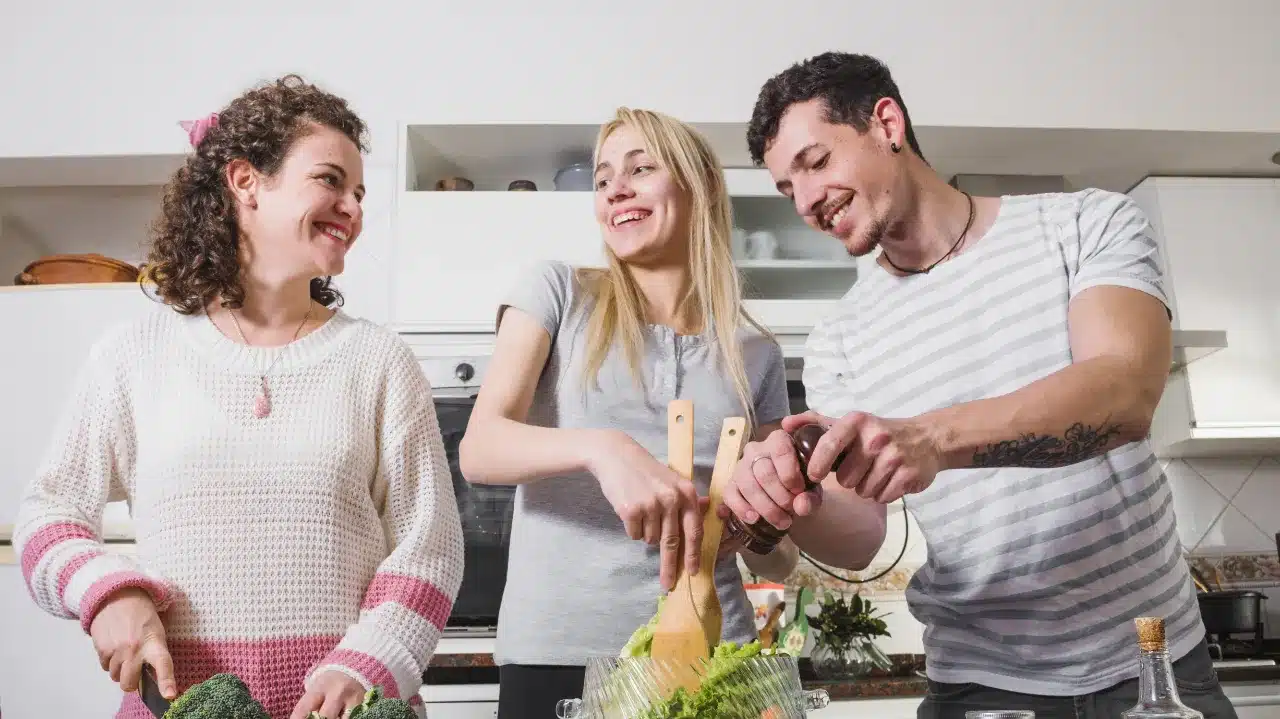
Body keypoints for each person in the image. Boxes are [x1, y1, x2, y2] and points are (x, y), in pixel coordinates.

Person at [723, 51, 1237, 719]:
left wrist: (932, 438)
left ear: (887, 122)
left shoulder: (1084, 224)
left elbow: (1124, 393)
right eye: (788, 189)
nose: (807, 202)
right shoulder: (840, 335)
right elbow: (861, 537)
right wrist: (798, 492)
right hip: (979, 684)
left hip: (1152, 665)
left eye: (816, 163)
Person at [12, 75, 464, 719]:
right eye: (330, 180)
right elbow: (46, 516)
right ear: (245, 181)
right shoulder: (134, 356)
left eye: (359, 193)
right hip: (180, 705)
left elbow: (431, 546)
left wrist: (366, 662)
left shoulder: (377, 361)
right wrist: (108, 593)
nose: (353, 208)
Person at [458, 107, 800, 719]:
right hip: (562, 652)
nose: (616, 188)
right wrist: (603, 448)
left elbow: (776, 557)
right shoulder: (558, 292)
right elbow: (481, 448)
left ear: (698, 187)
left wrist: (762, 526)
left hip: (717, 657)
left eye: (641, 169)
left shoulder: (756, 352)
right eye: (603, 177)